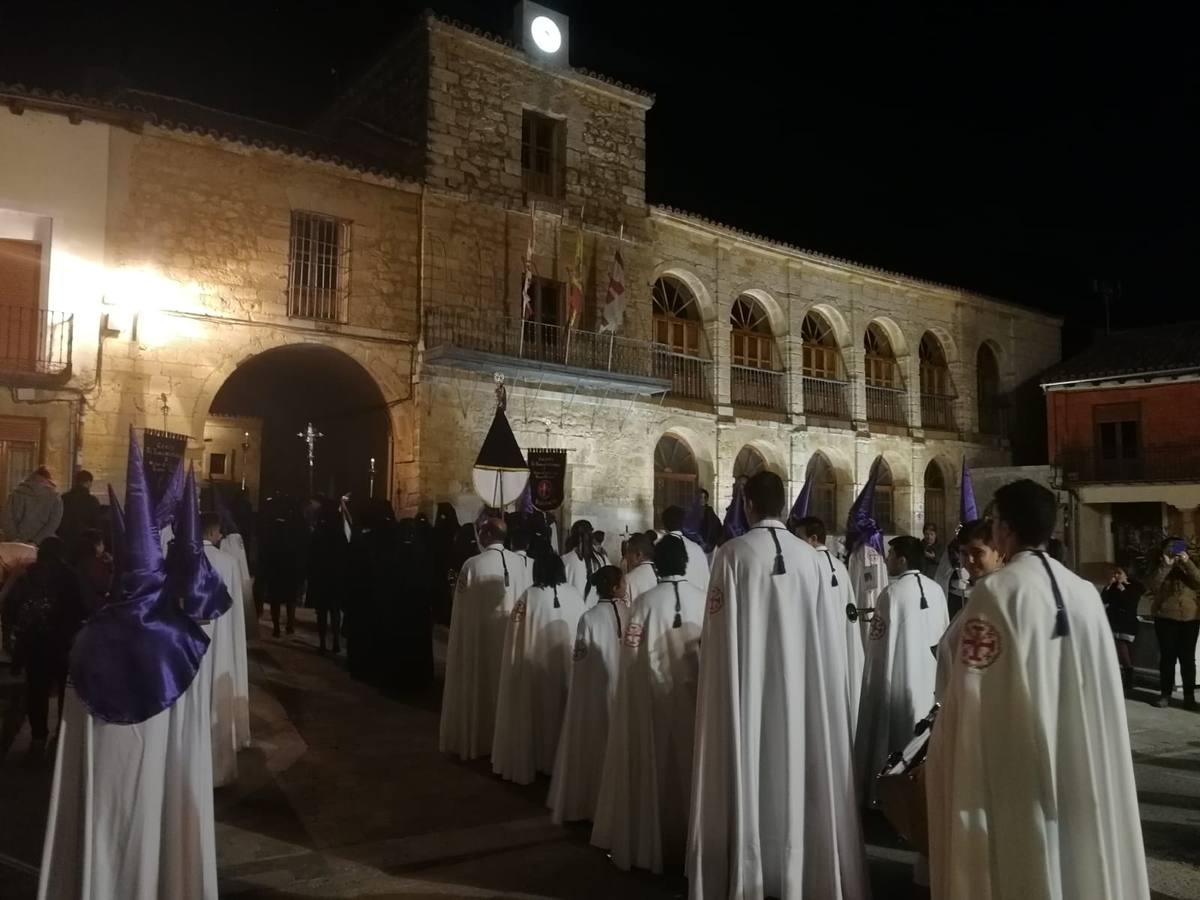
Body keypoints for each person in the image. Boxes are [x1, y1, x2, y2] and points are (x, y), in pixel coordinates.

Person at [927, 479, 1150, 900]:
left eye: (992, 522)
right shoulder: (1084, 592)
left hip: (1018, 768)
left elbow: (972, 694)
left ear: (1005, 528)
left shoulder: (995, 592)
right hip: (1080, 756)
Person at [39, 431, 217, 900]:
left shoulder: (88, 635)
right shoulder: (181, 640)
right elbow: (189, 749)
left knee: (97, 830)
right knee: (160, 824)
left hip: (102, 790)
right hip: (157, 788)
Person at [688, 472, 869, 898]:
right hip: (804, 695)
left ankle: (748, 872)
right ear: (784, 506)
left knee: (751, 767)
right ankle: (804, 870)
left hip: (746, 692)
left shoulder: (731, 555)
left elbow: (715, 638)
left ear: (747, 505)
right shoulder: (813, 560)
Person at [592, 535, 705, 873]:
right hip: (695, 704)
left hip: (653, 706)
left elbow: (630, 659)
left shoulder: (644, 604)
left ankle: (652, 842)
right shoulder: (702, 601)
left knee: (656, 779)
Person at [854, 534, 949, 806]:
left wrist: (872, 683)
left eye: (891, 555)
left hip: (896, 681)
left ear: (902, 559)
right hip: (928, 683)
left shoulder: (891, 594)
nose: (887, 560)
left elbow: (878, 648)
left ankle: (887, 797)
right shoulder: (936, 590)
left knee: (893, 739)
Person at [492, 540, 586, 784]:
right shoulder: (574, 595)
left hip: (534, 672)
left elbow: (514, 639)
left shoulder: (529, 597)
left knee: (536, 718)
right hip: (566, 672)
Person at [439, 518, 528, 761]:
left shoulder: (473, 565)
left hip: (479, 639)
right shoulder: (520, 564)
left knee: (482, 686)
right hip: (509, 637)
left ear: (486, 536)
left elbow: (461, 608)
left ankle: (480, 738)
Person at [548, 565, 628, 824]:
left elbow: (581, 662)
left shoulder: (590, 617)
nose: (626, 586)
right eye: (623, 582)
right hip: (621, 691)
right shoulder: (630, 612)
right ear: (615, 587)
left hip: (596, 692)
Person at [8, 536, 87, 758]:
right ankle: (59, 741)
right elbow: (80, 608)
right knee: (64, 692)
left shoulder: (27, 574)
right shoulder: (69, 576)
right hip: (62, 644)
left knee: (36, 692)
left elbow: (12, 606)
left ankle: (37, 739)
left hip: (34, 644)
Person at [797, 514, 863, 742]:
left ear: (813, 538)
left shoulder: (805, 566)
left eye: (799, 537)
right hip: (839, 650)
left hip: (814, 651)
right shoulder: (839, 567)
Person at [202, 511, 251, 760]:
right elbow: (235, 605)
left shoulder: (185, 559)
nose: (221, 536)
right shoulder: (227, 561)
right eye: (219, 532)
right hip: (221, 633)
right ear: (212, 533)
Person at [1145, 537, 1200, 709]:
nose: (1174, 551)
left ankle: (1189, 696)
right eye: (1170, 548)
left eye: (1177, 548)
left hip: (1190, 617)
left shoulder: (1191, 564)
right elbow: (1152, 586)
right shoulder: (1159, 566)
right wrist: (1166, 566)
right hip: (1165, 617)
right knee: (1167, 658)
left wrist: (1187, 563)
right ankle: (1165, 694)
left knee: (1187, 659)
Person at [307, 497, 346, 655]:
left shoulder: (319, 533)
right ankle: (335, 640)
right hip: (335, 574)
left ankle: (323, 642)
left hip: (322, 574)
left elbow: (313, 554)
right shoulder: (338, 533)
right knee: (334, 610)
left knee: (322, 610)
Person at [1102, 565, 1143, 694]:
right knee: (1120, 649)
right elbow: (1104, 599)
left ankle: (1129, 675)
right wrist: (1108, 586)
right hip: (1114, 621)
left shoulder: (1135, 587)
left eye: (1119, 573)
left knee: (1127, 649)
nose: (1116, 576)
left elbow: (1130, 602)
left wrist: (1122, 588)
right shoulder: (1113, 587)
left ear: (1127, 574)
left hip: (1127, 622)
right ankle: (1126, 675)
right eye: (1115, 573)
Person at [2, 466, 63, 545]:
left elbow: (6, 518)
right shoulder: (55, 498)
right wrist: (36, 541)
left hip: (16, 543)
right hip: (42, 545)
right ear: (49, 479)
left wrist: (14, 539)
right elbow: (53, 523)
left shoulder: (16, 493)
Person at [661, 505, 710, 593]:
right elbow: (706, 582)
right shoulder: (697, 549)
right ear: (684, 523)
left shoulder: (658, 548)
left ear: (663, 523)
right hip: (696, 602)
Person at [57, 469, 102, 551]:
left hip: (64, 540)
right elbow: (96, 522)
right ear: (88, 482)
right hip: (84, 542)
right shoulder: (92, 500)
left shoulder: (64, 498)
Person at [563, 520, 606, 602]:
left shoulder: (565, 560)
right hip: (595, 610)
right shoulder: (602, 559)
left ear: (572, 537)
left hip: (573, 609)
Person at [71, 528, 112, 611]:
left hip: (89, 605)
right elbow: (105, 586)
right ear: (96, 546)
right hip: (99, 607)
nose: (104, 546)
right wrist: (111, 565)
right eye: (102, 543)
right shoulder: (92, 563)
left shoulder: (82, 561)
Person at [621, 531, 658, 602]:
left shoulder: (629, 579)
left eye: (628, 552)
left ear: (638, 554)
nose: (626, 556)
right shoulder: (661, 573)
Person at [697, 488, 723, 554]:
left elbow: (717, 528)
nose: (702, 500)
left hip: (708, 546)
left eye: (704, 498)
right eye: (700, 497)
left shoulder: (710, 512)